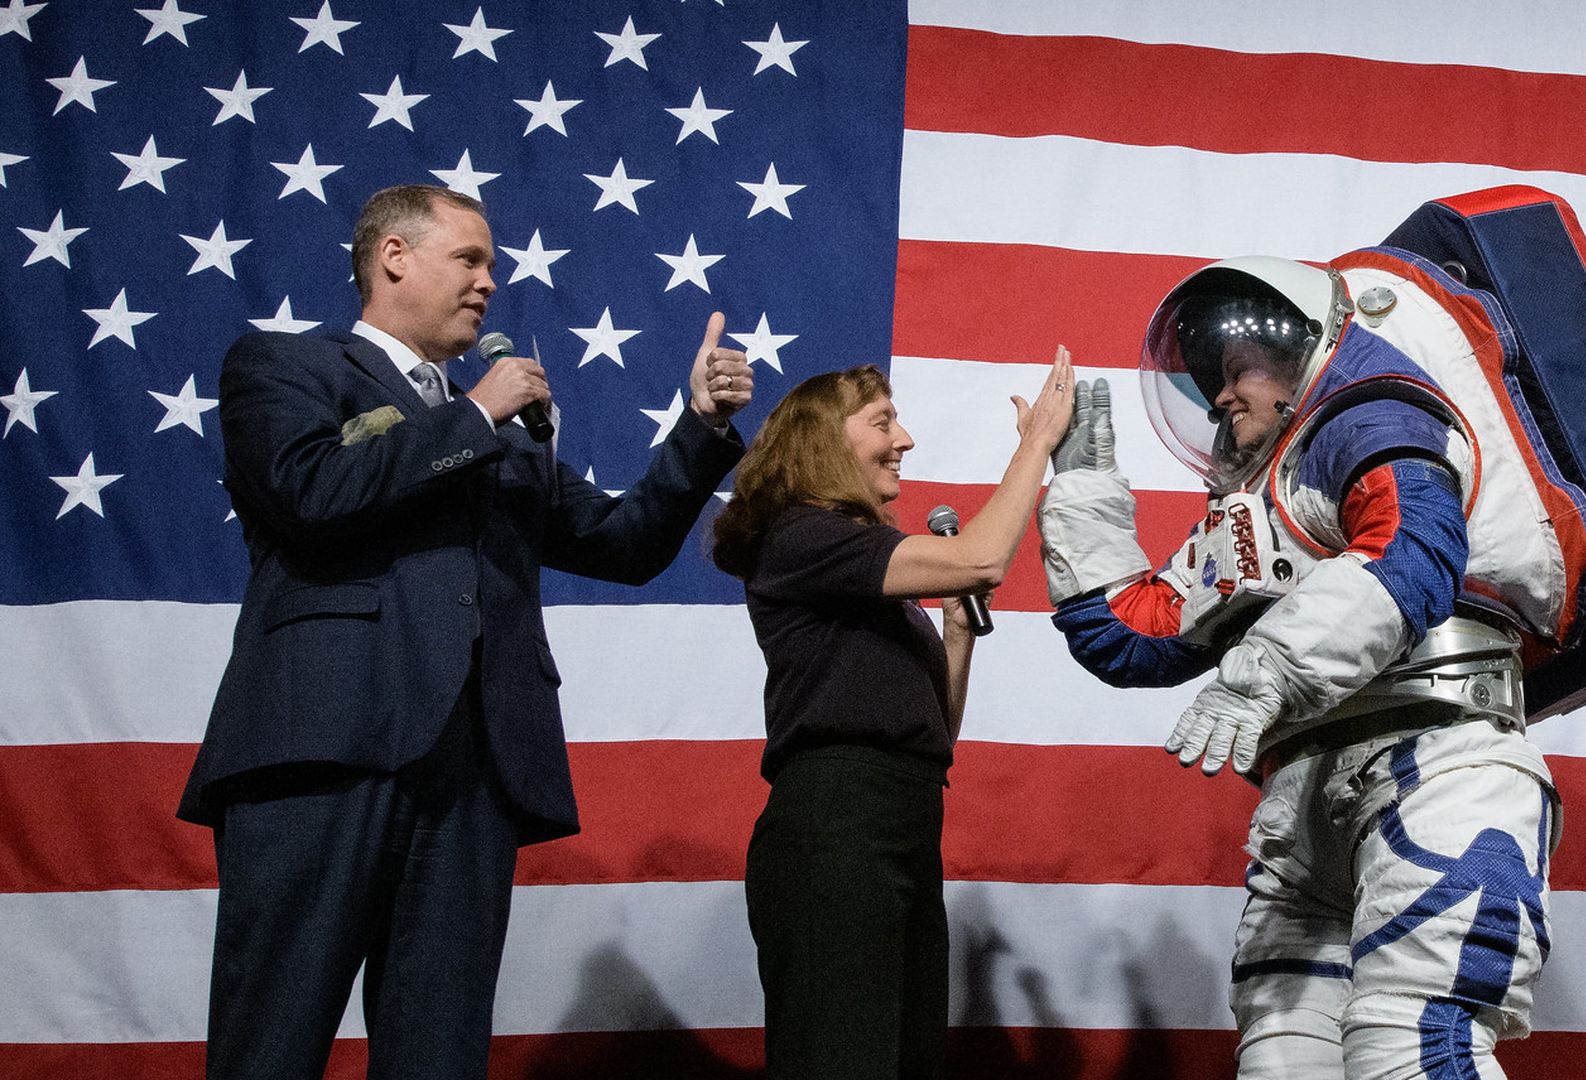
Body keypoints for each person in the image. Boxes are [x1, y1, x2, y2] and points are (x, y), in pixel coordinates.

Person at [176, 183, 754, 1079]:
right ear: (393, 257)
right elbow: (310, 496)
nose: (491, 282)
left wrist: (701, 430)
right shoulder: (285, 367)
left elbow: (622, 543)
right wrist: (476, 414)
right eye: (470, 259)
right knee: (271, 1043)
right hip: (323, 751)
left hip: (474, 773)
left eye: (493, 265)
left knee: (438, 1056)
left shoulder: (505, 435)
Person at [1038, 256, 1559, 1078]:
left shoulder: (1374, 418)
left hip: (1440, 770)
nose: (1219, 395)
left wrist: (1268, 669)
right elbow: (1131, 636)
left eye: (1238, 368)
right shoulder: (1267, 503)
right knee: (1284, 1065)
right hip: (1308, 800)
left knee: (1412, 1047)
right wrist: (1083, 485)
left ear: (1302, 356)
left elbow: (1412, 551)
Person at [710, 349, 1075, 1079]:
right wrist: (1037, 443)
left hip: (902, 825)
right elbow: (981, 558)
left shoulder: (853, 564)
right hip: (836, 829)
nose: (904, 440)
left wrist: (957, 635)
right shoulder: (801, 537)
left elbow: (931, 733)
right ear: (825, 444)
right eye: (883, 422)